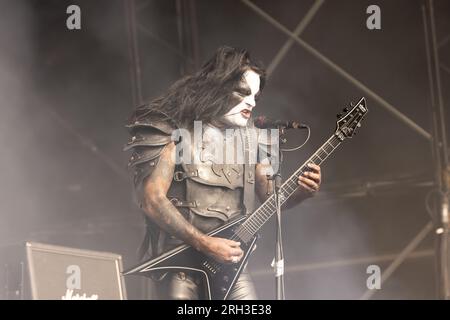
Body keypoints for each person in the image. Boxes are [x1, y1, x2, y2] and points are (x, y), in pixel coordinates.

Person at [125, 46, 321, 299]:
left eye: (256, 96)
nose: (251, 102)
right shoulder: (172, 127)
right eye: (243, 93)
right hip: (181, 268)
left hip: (232, 270)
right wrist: (205, 243)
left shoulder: (255, 138)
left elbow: (271, 197)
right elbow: (151, 199)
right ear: (217, 87)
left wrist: (301, 193)